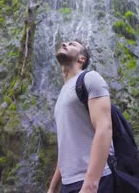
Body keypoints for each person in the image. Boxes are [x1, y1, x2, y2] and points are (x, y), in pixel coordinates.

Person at [47, 40, 115, 193]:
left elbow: (104, 128)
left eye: (72, 44)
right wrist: (53, 188)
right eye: (65, 42)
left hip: (94, 181)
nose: (64, 43)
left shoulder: (90, 78)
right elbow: (66, 146)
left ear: (81, 59)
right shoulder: (62, 94)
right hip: (68, 183)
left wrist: (91, 185)